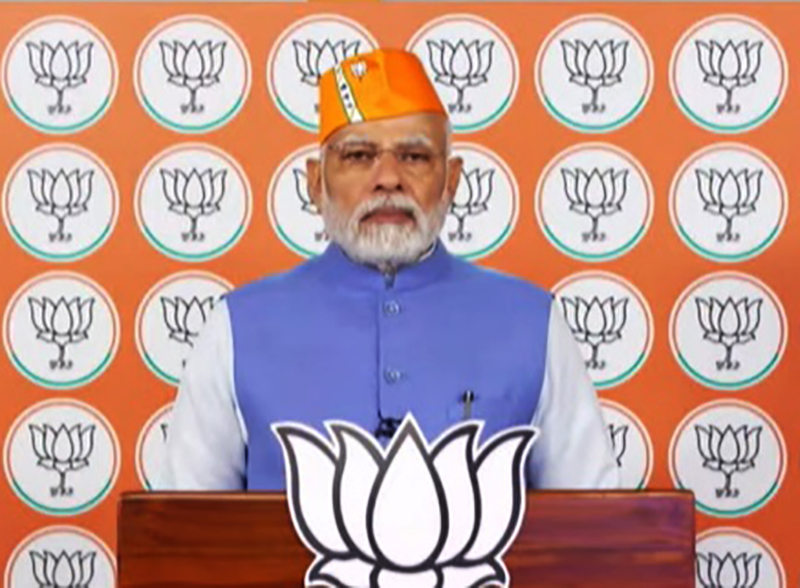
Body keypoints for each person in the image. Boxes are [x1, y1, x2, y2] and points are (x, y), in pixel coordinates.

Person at [155, 48, 619, 491]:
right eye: (358, 156)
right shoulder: (237, 327)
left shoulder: (532, 322)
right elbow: (183, 526)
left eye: (414, 157)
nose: (389, 178)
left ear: (452, 181)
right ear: (315, 183)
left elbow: (595, 525)